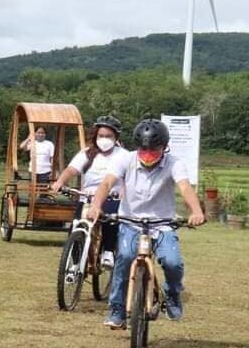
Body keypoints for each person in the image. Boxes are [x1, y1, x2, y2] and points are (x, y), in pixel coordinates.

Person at [87, 119, 205, 329]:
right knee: (123, 260)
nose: (149, 153)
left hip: (162, 224)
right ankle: (116, 311)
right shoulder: (125, 160)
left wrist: (196, 211)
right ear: (137, 146)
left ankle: (172, 295)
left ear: (164, 147)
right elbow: (106, 183)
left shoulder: (174, 163)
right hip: (131, 222)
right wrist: (96, 205)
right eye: (144, 149)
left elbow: (185, 188)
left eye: (154, 149)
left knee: (172, 262)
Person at [50, 115, 129, 269]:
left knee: (110, 219)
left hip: (112, 196)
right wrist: (60, 182)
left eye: (108, 136)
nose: (104, 139)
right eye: (101, 136)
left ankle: (108, 251)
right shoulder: (87, 153)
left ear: (116, 137)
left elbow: (129, 177)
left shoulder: (124, 155)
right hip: (87, 197)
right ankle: (74, 263)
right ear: (96, 136)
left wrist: (124, 191)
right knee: (76, 225)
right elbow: (72, 169)